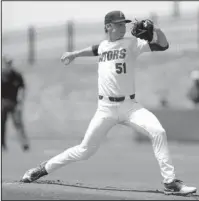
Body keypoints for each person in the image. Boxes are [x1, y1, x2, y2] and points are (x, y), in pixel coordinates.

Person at [21, 11, 197, 195]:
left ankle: (170, 182)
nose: (123, 27)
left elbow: (163, 45)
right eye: (119, 24)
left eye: (124, 24)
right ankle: (42, 169)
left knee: (158, 131)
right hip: (105, 109)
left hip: (130, 107)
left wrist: (157, 29)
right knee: (84, 151)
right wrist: (75, 53)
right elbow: (96, 48)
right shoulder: (104, 46)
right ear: (108, 27)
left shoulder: (132, 43)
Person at [2, 55, 30, 151]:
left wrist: (20, 101)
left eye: (10, 63)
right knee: (2, 124)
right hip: (3, 102)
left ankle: (24, 143)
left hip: (14, 103)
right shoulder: (1, 75)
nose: (8, 65)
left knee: (18, 124)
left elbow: (22, 88)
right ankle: (2, 144)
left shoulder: (17, 75)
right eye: (7, 63)